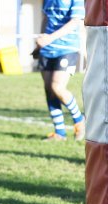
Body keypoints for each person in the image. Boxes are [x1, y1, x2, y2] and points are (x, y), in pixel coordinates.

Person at [36, 0, 86, 141]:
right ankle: (59, 133)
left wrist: (50, 38)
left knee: (57, 87)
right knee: (49, 90)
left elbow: (75, 21)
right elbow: (46, 18)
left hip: (67, 48)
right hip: (47, 49)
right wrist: (40, 42)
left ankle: (79, 120)